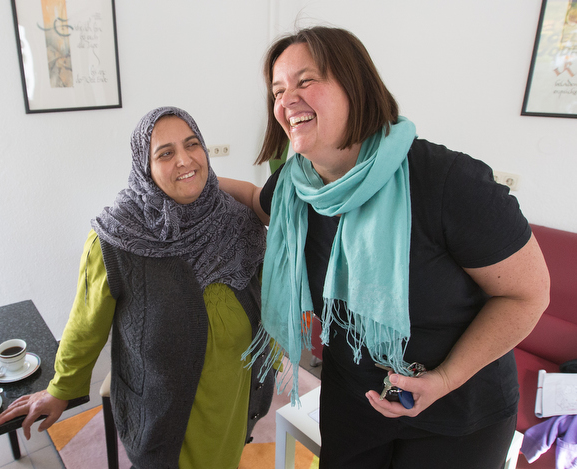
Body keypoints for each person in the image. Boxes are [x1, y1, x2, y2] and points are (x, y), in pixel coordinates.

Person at [220, 26, 551, 469]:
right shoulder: (295, 188)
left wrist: (444, 379)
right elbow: (254, 201)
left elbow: (528, 294)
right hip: (353, 406)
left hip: (456, 411)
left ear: (356, 86)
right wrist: (186, 177)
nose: (286, 100)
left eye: (305, 81)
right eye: (278, 90)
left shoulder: (447, 182)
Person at [0, 106, 274, 469]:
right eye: (166, 153)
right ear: (145, 167)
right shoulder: (116, 241)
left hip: (233, 399)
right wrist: (60, 389)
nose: (185, 160)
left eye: (193, 145)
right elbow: (85, 325)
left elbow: (269, 289)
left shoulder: (236, 222)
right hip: (163, 414)